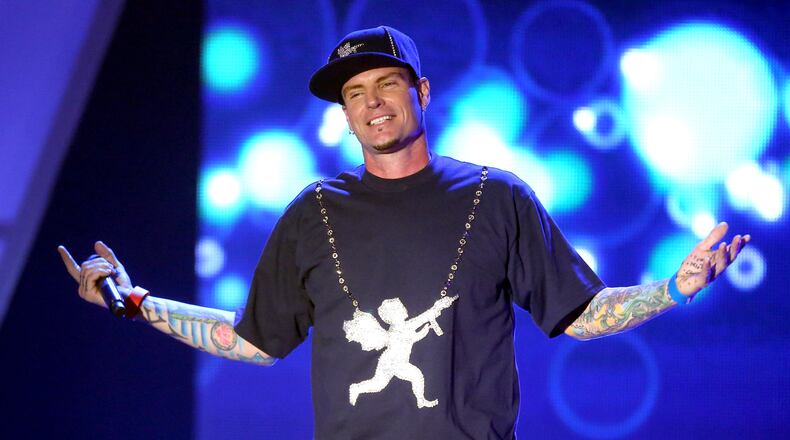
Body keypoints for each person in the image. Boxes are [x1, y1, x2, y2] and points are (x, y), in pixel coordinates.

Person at [59, 26, 750, 439]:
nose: (370, 104)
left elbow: (577, 314)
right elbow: (250, 340)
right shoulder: (313, 212)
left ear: (420, 91)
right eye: (353, 94)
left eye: (385, 84)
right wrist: (136, 302)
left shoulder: (497, 197)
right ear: (344, 114)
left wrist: (672, 289)